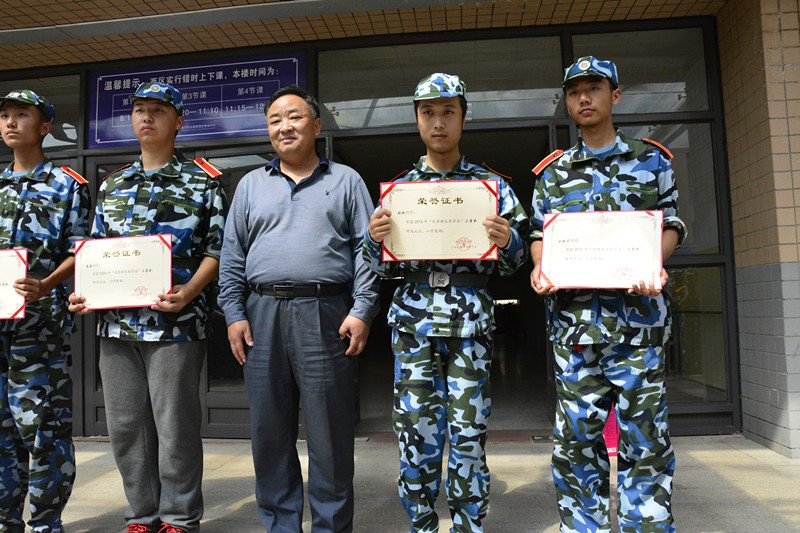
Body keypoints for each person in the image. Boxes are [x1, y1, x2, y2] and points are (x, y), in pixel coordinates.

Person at [361, 73, 530, 533]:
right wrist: (374, 239)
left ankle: (468, 525)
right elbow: (377, 266)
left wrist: (509, 239)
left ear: (463, 118)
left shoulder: (491, 188)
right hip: (414, 324)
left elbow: (519, 261)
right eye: (428, 113)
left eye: (448, 112)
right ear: (417, 120)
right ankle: (421, 523)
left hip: (470, 325)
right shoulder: (399, 192)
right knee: (415, 433)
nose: (438, 122)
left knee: (469, 434)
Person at [529, 57, 687, 533]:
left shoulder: (651, 160)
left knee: (646, 442)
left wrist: (652, 264)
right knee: (576, 444)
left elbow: (671, 224)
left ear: (614, 96)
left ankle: (648, 526)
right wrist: (540, 267)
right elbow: (539, 234)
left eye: (594, 88)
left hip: (639, 326)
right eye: (574, 91)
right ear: (566, 101)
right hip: (576, 330)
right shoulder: (553, 173)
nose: (584, 98)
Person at [217, 84, 380, 533]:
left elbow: (369, 250)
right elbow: (232, 255)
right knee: (269, 434)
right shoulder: (250, 185)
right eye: (275, 120)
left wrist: (362, 309)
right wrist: (234, 313)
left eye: (294, 117)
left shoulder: (346, 181)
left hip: (325, 313)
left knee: (330, 434)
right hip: (261, 314)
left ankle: (332, 527)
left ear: (316, 125)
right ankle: (281, 525)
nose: (284, 127)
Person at [68, 82, 228, 533]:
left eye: (158, 110)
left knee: (175, 426)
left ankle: (179, 517)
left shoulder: (204, 181)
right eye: (139, 110)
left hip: (176, 324)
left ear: (178, 121)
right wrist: (84, 291)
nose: (146, 118)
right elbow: (95, 250)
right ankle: (142, 514)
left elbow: (218, 249)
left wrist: (190, 291)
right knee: (126, 428)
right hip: (116, 327)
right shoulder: (113, 183)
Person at [0, 90, 90, 533]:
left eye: (22, 114)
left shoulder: (68, 184)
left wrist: (48, 284)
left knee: (43, 428)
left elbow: (82, 249)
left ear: (45, 127)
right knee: (2, 430)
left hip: (40, 325)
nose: (10, 122)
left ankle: (45, 523)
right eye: (5, 115)